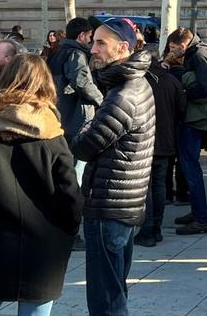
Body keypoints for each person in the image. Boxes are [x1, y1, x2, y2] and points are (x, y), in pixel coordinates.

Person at [0, 54, 83, 316]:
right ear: (46, 84)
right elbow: (70, 194)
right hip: (45, 246)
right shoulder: (53, 134)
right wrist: (68, 230)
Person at [69, 16, 155, 316]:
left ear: (122, 49)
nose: (93, 49)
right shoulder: (131, 83)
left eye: (100, 43)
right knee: (114, 289)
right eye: (93, 42)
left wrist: (83, 128)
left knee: (107, 298)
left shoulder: (124, 93)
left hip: (110, 206)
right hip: (122, 204)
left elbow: (84, 145)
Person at [166, 26, 207, 228]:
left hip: (194, 119)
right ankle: (197, 212)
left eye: (173, 47)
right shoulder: (195, 53)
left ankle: (200, 218)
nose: (171, 51)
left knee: (191, 167)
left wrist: (183, 94)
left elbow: (205, 87)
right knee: (189, 167)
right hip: (192, 118)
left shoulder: (198, 55)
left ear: (183, 45)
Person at [136, 49, 185, 247]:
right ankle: (156, 228)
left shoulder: (139, 83)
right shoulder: (171, 81)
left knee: (145, 188)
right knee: (159, 186)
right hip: (165, 141)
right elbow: (181, 110)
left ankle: (147, 230)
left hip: (143, 142)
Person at [48, 17, 102, 184]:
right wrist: (102, 100)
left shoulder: (57, 53)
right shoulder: (76, 54)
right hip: (77, 117)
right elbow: (81, 82)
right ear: (81, 36)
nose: (91, 40)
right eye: (90, 35)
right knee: (78, 165)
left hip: (61, 115)